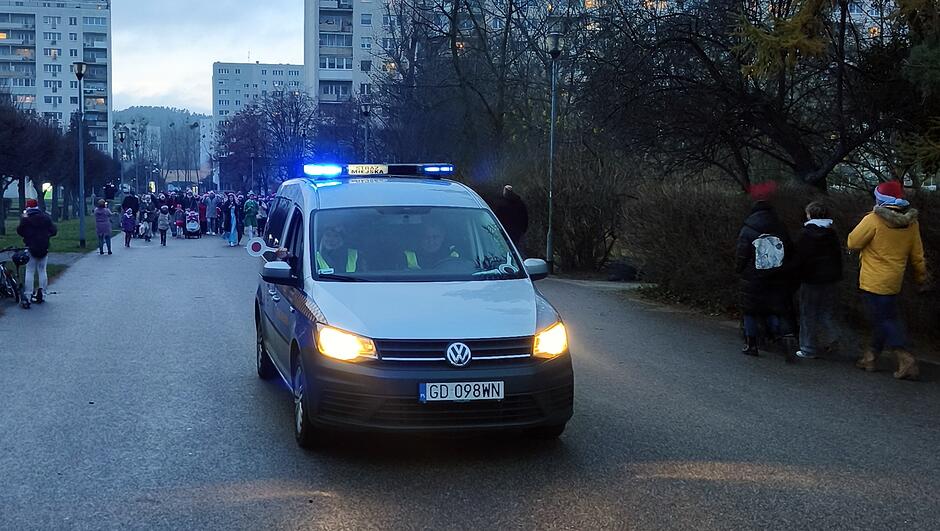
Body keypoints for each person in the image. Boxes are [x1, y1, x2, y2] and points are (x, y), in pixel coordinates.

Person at [847, 181, 929, 381]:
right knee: (884, 317)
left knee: (885, 320)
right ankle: (870, 357)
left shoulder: (873, 219)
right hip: (894, 280)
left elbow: (852, 242)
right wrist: (921, 277)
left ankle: (905, 358)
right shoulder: (912, 223)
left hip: (873, 280)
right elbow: (917, 255)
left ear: (880, 199)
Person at [735, 182, 798, 362]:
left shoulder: (748, 228)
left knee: (751, 311)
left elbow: (742, 253)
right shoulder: (779, 226)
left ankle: (751, 344)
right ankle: (784, 336)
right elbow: (790, 249)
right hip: (777, 274)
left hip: (753, 275)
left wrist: (739, 269)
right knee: (775, 308)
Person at [793, 201, 843, 359]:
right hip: (830, 278)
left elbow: (799, 258)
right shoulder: (832, 233)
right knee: (826, 312)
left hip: (810, 279)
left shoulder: (805, 234)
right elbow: (838, 257)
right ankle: (835, 337)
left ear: (810, 215)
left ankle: (808, 347)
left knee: (808, 313)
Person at [16, 199, 57, 307]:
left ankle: (28, 295)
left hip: (30, 246)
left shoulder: (26, 218)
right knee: (42, 270)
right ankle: (42, 293)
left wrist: (24, 220)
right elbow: (54, 231)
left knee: (30, 271)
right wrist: (46, 235)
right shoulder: (45, 217)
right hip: (43, 247)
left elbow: (19, 231)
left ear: (27, 207)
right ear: (37, 206)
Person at [492, 185, 529, 250]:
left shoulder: (501, 204)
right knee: (515, 249)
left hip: (505, 232)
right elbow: (525, 218)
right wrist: (523, 230)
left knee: (505, 249)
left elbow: (497, 217)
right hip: (517, 233)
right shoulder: (520, 203)